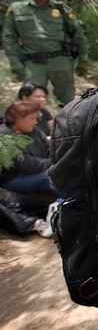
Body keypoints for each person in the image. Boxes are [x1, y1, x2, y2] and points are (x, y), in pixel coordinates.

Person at [1, 0, 88, 105]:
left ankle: (65, 125)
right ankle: (31, 125)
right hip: (33, 62)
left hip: (60, 60)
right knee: (28, 101)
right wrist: (14, 61)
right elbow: (9, 36)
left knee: (67, 102)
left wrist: (83, 59)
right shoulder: (17, 9)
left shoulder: (60, 9)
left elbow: (78, 34)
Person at [0, 101, 66, 237]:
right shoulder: (5, 137)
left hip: (39, 171)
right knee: (51, 175)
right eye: (31, 119)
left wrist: (55, 160)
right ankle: (59, 209)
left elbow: (50, 147)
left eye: (36, 118)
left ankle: (62, 204)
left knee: (57, 172)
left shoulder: (33, 130)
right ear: (17, 119)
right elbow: (27, 166)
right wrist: (55, 163)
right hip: (15, 179)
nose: (35, 122)